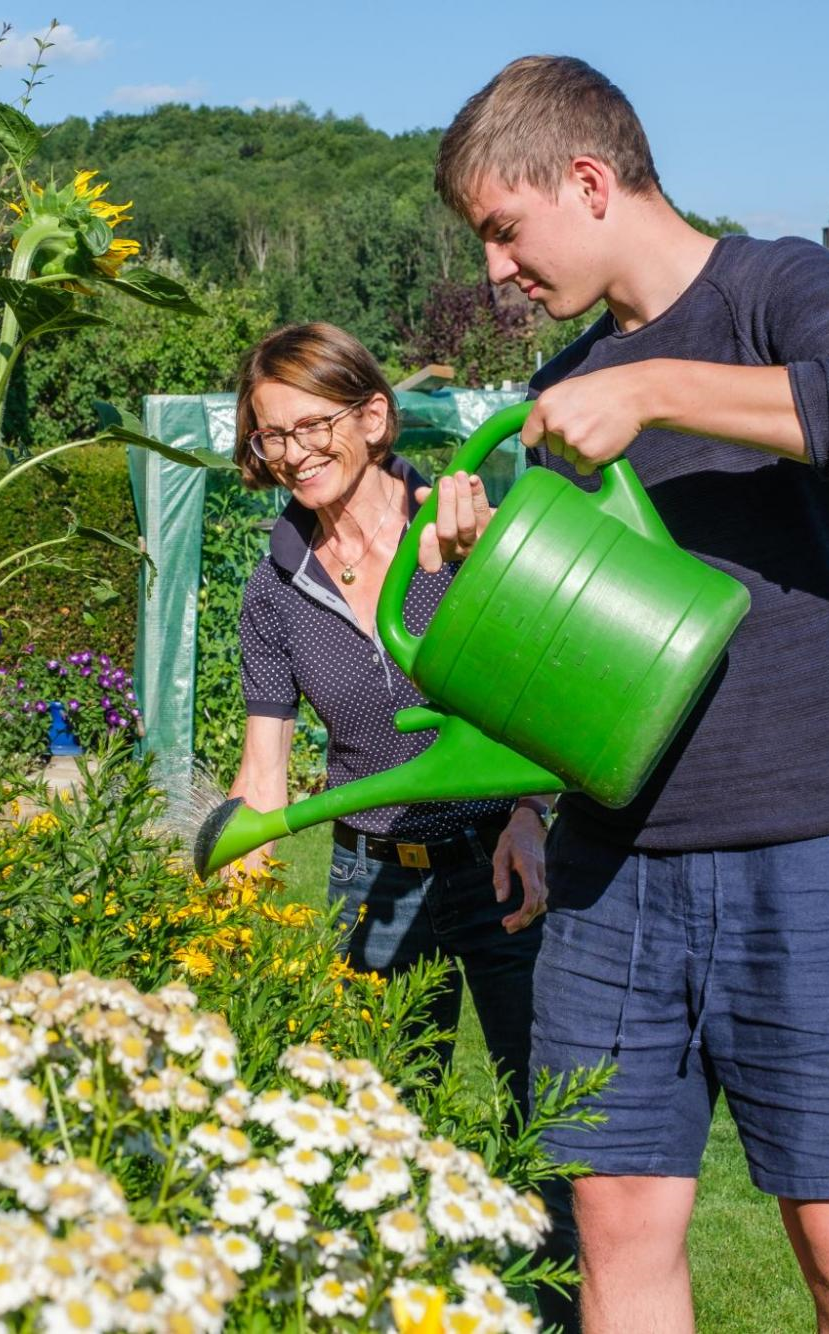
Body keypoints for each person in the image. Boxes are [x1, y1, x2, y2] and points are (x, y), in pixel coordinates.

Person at [421, 56, 829, 1334]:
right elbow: (557, 651)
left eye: (503, 230)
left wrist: (654, 384)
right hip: (613, 866)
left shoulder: (774, 285)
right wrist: (478, 555)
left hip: (812, 840)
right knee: (610, 1229)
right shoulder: (558, 391)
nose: (495, 270)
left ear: (590, 180)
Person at [225, 321, 554, 1118]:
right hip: (370, 879)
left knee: (548, 1115)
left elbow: (539, 694)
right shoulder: (274, 588)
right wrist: (223, 895)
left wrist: (531, 814)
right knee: (381, 1124)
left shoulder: (459, 530)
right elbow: (264, 769)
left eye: (312, 425)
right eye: (273, 436)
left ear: (371, 419)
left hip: (500, 862)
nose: (293, 452)